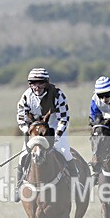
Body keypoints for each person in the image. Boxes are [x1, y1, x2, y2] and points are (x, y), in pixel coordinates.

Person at [14, 67, 79, 201]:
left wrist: (56, 137)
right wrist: (30, 133)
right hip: (34, 130)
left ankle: (76, 185)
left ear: (46, 83)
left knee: (64, 152)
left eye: (40, 83)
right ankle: (18, 186)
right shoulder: (26, 96)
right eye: (33, 83)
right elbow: (21, 118)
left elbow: (64, 118)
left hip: (54, 128)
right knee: (23, 156)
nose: (37, 87)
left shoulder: (58, 94)